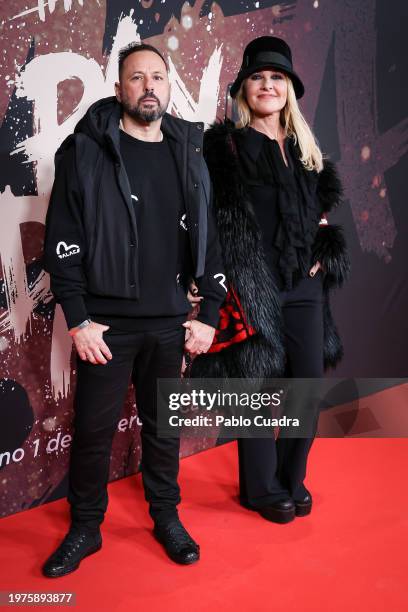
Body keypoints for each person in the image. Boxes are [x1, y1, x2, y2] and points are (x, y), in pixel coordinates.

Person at [42, 41, 226, 576]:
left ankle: (166, 517)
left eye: (158, 77)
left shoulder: (190, 152)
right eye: (137, 77)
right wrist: (77, 318)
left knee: (163, 429)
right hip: (105, 326)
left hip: (171, 326)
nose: (149, 86)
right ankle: (85, 528)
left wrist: (209, 312)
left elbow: (210, 238)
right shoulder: (86, 152)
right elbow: (64, 239)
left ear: (169, 86)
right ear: (119, 87)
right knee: (95, 432)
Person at [190, 36, 350, 523]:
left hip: (303, 286)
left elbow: (316, 217)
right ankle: (259, 489)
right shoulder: (226, 149)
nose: (267, 85)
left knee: (305, 387)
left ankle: (290, 479)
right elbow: (212, 220)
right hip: (251, 285)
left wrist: (325, 247)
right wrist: (216, 283)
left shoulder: (305, 152)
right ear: (244, 88)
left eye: (276, 78)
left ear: (288, 90)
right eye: (258, 77)